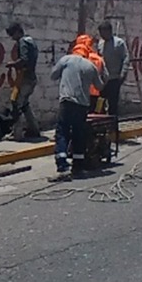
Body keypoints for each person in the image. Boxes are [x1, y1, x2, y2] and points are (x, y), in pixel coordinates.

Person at [49, 35, 105, 180]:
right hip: (83, 105)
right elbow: (100, 86)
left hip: (67, 102)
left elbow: (53, 75)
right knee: (79, 134)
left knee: (62, 132)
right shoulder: (91, 66)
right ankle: (78, 166)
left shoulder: (66, 60)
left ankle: (62, 166)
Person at [3, 22, 41, 140]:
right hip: (31, 77)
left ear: (18, 32)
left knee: (16, 103)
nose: (12, 38)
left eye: (13, 35)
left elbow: (24, 59)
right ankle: (34, 129)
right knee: (24, 104)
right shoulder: (31, 41)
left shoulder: (23, 42)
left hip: (24, 77)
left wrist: (12, 64)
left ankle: (16, 134)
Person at [94, 20, 131, 122]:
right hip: (102, 80)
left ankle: (113, 127)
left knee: (113, 105)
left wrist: (123, 74)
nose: (102, 35)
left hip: (114, 78)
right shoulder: (100, 44)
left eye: (103, 32)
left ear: (109, 31)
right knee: (99, 103)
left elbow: (126, 59)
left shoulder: (119, 43)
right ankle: (100, 124)